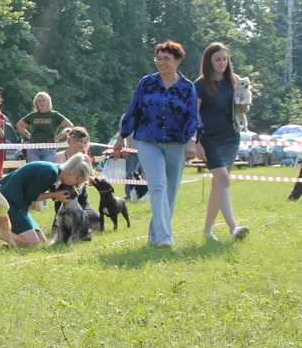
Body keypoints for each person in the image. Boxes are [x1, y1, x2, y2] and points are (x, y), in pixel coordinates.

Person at [113, 40, 200, 248]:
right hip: (147, 141)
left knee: (170, 191)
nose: (161, 63)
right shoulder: (147, 83)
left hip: (176, 143)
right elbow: (134, 109)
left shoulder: (187, 87)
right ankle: (164, 239)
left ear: (178, 60)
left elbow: (193, 116)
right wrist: (120, 137)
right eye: (158, 58)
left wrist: (191, 141)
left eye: (166, 59)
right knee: (158, 186)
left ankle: (155, 235)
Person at [194, 42, 250, 242]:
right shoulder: (199, 85)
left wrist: (243, 99)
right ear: (208, 61)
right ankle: (233, 227)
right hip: (209, 138)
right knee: (223, 181)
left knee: (219, 185)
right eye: (217, 59)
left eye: (225, 59)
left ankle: (207, 230)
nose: (222, 63)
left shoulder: (232, 81)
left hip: (230, 136)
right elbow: (194, 114)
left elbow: (240, 110)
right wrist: (195, 142)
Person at [0, 155, 94, 247]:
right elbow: (31, 197)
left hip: (18, 202)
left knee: (42, 243)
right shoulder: (51, 173)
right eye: (77, 182)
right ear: (75, 173)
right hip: (9, 201)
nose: (75, 185)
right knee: (33, 244)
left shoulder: (54, 170)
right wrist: (55, 195)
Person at [54, 127, 101, 230]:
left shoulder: (86, 158)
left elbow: (90, 178)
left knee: (98, 225)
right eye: (80, 141)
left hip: (82, 200)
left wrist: (91, 179)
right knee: (69, 226)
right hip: (65, 201)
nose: (82, 144)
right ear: (70, 139)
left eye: (85, 142)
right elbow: (59, 175)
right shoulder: (61, 156)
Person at [17, 92, 73, 163]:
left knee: (48, 170)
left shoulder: (54, 115)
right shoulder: (33, 115)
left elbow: (70, 126)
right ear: (36, 103)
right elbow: (19, 125)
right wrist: (27, 135)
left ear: (48, 102)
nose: (41, 103)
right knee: (34, 169)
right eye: (39, 101)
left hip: (49, 148)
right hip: (33, 148)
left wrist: (58, 137)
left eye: (43, 100)